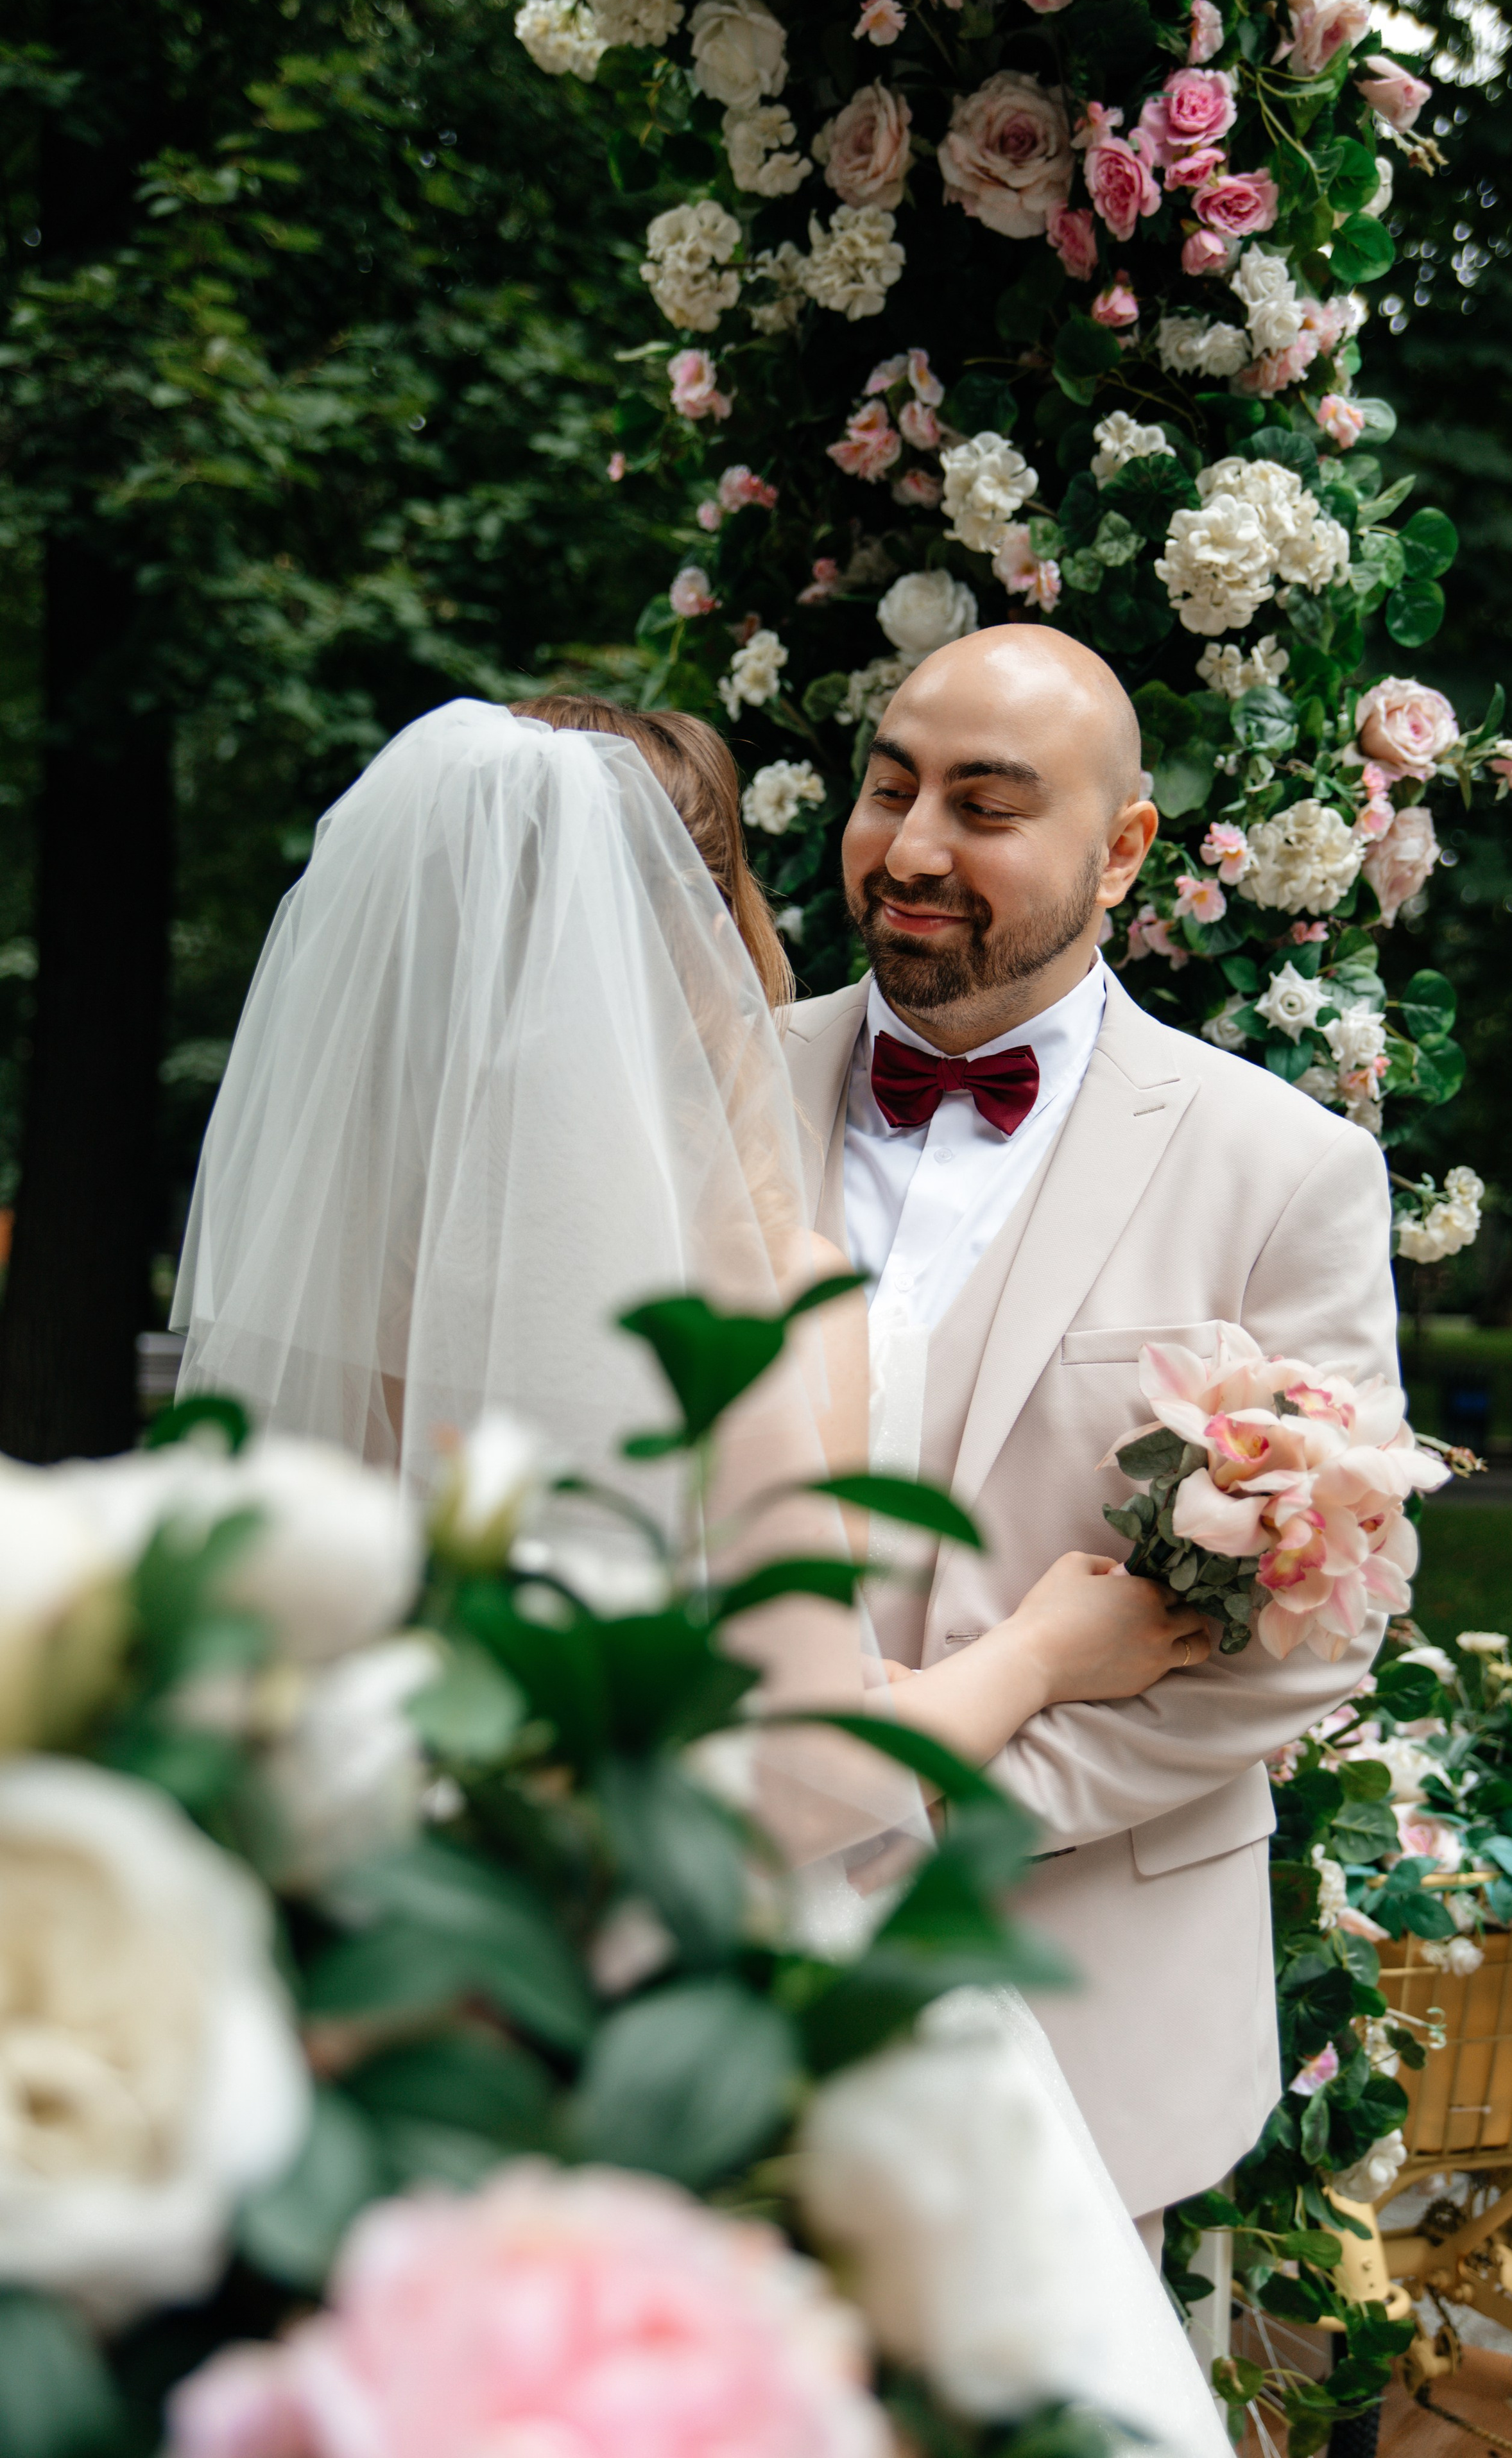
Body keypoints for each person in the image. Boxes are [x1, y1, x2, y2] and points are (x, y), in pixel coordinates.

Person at [170, 691, 1226, 2454]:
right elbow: (800, 1781)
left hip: (388, 2004)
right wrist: (1046, 1647)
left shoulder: (328, 1294)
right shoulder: (748, 1291)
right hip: (699, 2029)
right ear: (711, 916)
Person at [780, 625, 1400, 2262]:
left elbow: (1305, 1631)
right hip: (708, 1972)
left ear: (1123, 850)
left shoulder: (1282, 1171)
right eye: (889, 786)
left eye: (984, 806)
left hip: (1081, 2017)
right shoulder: (696, 1101)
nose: (910, 850)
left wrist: (886, 1817)